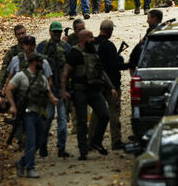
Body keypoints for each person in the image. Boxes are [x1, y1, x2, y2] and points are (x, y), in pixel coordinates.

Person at [61, 29, 118, 160]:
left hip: (95, 90)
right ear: (83, 39)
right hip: (80, 91)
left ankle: (96, 142)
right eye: (91, 37)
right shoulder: (74, 53)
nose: (93, 40)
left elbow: (101, 71)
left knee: (104, 115)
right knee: (82, 121)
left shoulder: (93, 52)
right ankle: (83, 150)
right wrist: (64, 91)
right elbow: (65, 73)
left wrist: (111, 87)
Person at [6, 52, 58, 178]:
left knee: (40, 140)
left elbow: (48, 91)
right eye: (40, 62)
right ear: (35, 62)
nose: (42, 65)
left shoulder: (41, 78)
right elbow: (9, 89)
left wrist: (53, 99)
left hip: (40, 113)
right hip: (27, 113)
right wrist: (12, 105)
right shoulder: (21, 76)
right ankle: (30, 168)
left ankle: (21, 162)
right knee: (31, 141)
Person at [89, 20, 128, 150]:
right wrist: (127, 65)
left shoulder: (92, 43)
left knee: (96, 112)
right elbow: (114, 66)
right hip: (111, 84)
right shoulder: (109, 46)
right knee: (114, 112)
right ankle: (116, 141)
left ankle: (91, 141)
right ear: (110, 31)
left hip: (96, 83)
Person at [36, 22, 72, 158]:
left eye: (59, 32)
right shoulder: (42, 47)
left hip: (62, 89)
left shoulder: (66, 47)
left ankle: (61, 147)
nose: (57, 34)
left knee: (62, 121)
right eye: (55, 32)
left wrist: (69, 89)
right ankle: (43, 145)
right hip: (47, 90)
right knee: (47, 119)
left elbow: (70, 68)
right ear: (50, 32)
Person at [128, 9, 163, 76]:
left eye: (148, 18)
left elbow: (133, 60)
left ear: (154, 18)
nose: (147, 21)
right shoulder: (166, 30)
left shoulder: (150, 36)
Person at [0, 24, 27, 95]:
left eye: (23, 33)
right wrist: (0, 87)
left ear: (26, 33)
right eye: (19, 34)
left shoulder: (33, 49)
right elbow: (4, 69)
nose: (21, 36)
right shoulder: (12, 51)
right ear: (16, 36)